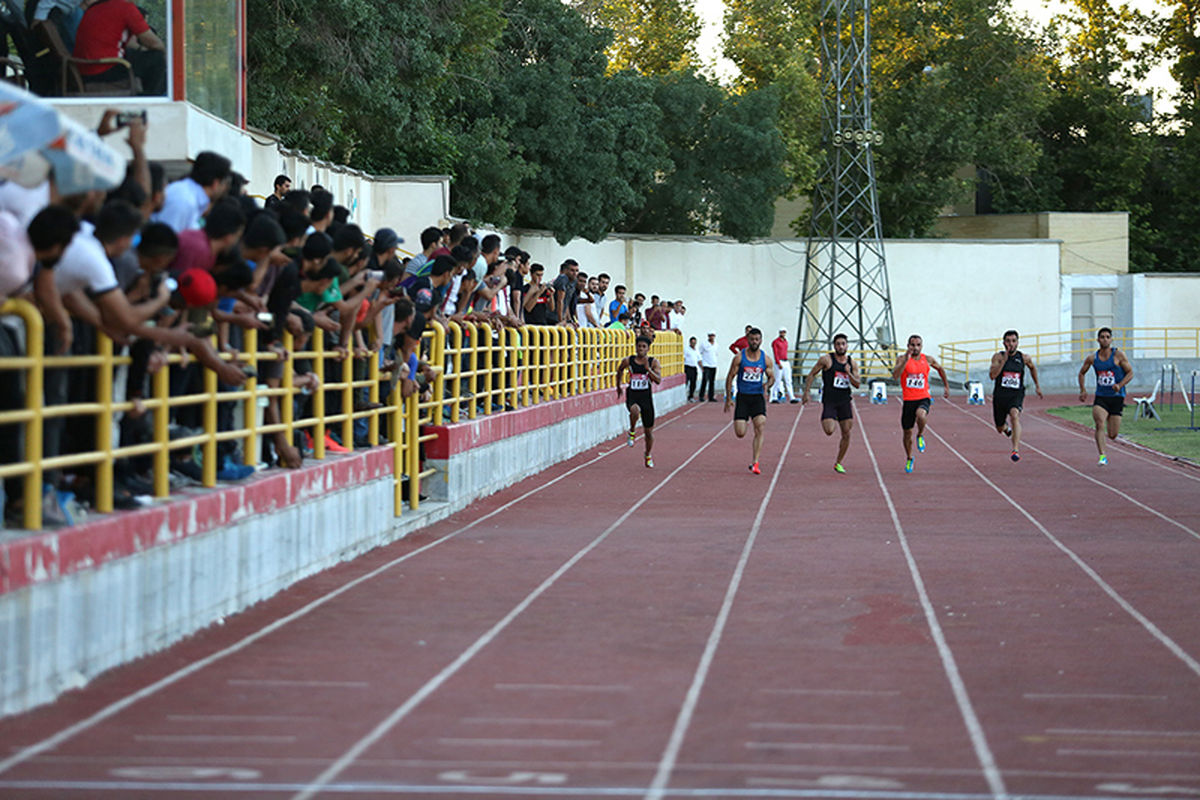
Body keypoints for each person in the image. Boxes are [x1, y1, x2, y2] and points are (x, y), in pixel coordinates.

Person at [72, 0, 166, 95]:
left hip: (84, 69)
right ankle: (151, 100)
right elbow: (155, 44)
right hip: (103, 69)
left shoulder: (97, 7)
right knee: (157, 58)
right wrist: (167, 54)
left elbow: (126, 43)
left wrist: (141, 49)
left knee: (136, 55)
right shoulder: (126, 7)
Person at [801, 333, 860, 473]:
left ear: (847, 345)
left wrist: (848, 373)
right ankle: (831, 416)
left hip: (845, 401)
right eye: (838, 344)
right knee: (829, 430)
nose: (841, 346)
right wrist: (806, 392)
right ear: (834, 346)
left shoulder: (852, 363)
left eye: (843, 344)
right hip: (830, 401)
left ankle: (838, 462)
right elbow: (811, 374)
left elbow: (857, 384)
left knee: (847, 433)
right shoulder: (826, 359)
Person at [892, 334, 950, 473]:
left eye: (918, 345)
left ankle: (920, 435)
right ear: (908, 346)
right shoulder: (901, 359)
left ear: (921, 346)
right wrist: (905, 361)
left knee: (921, 415)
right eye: (912, 345)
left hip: (923, 397)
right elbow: (895, 376)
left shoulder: (927, 359)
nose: (915, 347)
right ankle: (910, 458)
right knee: (907, 434)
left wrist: (946, 386)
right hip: (908, 400)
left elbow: (941, 369)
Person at [1077, 326, 1133, 466]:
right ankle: (1102, 456)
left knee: (1113, 434)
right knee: (1099, 423)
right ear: (1098, 340)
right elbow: (1081, 373)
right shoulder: (1092, 358)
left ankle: (1110, 420)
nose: (1105, 339)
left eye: (1108, 337)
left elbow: (1130, 373)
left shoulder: (1119, 356)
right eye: (1102, 337)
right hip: (1101, 397)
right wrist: (1083, 389)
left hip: (1117, 397)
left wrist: (1119, 385)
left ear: (1111, 339)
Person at [725, 327, 775, 474]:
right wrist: (728, 398)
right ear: (747, 340)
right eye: (752, 339)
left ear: (761, 340)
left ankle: (755, 462)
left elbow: (772, 377)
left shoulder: (765, 359)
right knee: (740, 433)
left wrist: (768, 384)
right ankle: (745, 419)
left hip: (758, 397)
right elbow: (730, 377)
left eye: (757, 339)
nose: (754, 342)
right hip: (743, 397)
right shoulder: (740, 358)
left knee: (760, 426)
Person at [989, 329, 1043, 462]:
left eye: (1013, 341)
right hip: (1000, 396)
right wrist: (1004, 361)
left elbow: (1032, 368)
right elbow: (992, 376)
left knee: (1014, 415)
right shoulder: (998, 357)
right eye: (1008, 341)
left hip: (1016, 394)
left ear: (1017, 342)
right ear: (1003, 343)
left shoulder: (1024, 358)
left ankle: (1016, 449)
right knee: (999, 428)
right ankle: (1008, 431)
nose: (1011, 344)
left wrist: (1037, 386)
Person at [615, 335, 661, 468]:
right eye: (639, 346)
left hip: (646, 398)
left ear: (648, 349)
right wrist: (618, 386)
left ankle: (647, 455)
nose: (640, 349)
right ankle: (632, 431)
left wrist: (648, 370)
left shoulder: (653, 362)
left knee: (649, 433)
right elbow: (619, 370)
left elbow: (658, 380)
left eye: (643, 347)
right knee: (635, 410)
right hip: (633, 395)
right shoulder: (629, 361)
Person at [770, 328, 797, 403]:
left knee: (788, 380)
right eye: (782, 332)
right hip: (780, 361)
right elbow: (775, 353)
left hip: (786, 361)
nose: (783, 333)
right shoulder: (775, 342)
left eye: (784, 332)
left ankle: (792, 397)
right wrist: (778, 362)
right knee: (777, 380)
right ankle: (773, 397)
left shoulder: (785, 341)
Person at [698, 331, 719, 401]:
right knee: (705, 380)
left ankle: (711, 397)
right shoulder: (704, 344)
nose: (711, 337)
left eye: (713, 335)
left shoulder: (716, 344)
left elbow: (716, 354)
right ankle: (701, 396)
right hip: (706, 365)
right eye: (710, 336)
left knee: (712, 382)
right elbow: (699, 353)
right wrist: (701, 363)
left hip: (713, 365)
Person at [683, 335, 699, 402]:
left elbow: (699, 359)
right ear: (690, 342)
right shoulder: (686, 349)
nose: (693, 344)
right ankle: (684, 395)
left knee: (693, 383)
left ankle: (691, 396)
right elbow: (683, 358)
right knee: (686, 382)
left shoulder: (696, 350)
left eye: (694, 343)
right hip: (687, 367)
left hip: (694, 367)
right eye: (692, 342)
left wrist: (702, 367)